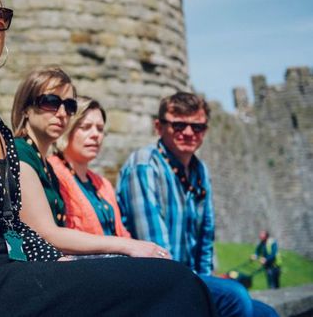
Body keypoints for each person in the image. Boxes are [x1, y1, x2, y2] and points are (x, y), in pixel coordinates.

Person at [0, 0, 218, 316]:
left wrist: (64, 264)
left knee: (171, 278)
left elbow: (14, 227)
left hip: (11, 270)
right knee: (174, 284)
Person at [117, 92, 278, 317]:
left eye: (198, 127)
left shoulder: (199, 170)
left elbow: (205, 242)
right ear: (159, 127)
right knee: (236, 296)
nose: (189, 133)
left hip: (192, 279)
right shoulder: (144, 166)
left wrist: (207, 284)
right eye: (179, 125)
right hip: (156, 284)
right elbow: (157, 254)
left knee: (267, 313)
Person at [14, 76, 170, 258]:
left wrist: (134, 247)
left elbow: (120, 233)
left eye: (69, 106)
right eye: (50, 102)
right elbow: (48, 234)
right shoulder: (31, 158)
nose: (62, 113)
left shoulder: (99, 183)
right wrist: (127, 246)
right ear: (26, 108)